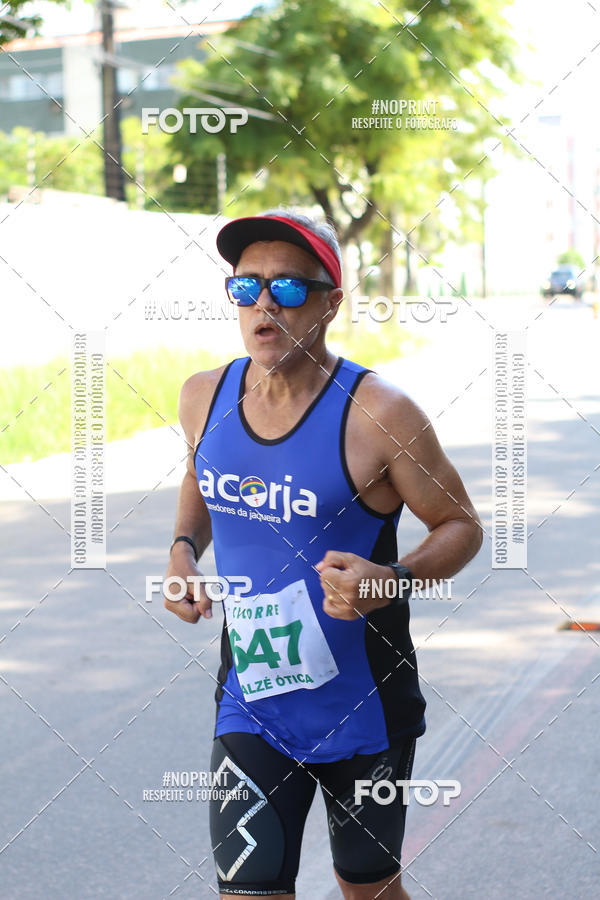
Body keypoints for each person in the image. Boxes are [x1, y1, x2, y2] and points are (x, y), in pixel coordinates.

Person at [164, 209, 482, 899]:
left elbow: (460, 526)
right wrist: (184, 551)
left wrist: (392, 579)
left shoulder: (381, 414)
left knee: (366, 891)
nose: (264, 304)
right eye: (246, 287)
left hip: (364, 706)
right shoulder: (203, 396)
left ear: (331, 302)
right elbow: (203, 471)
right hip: (252, 703)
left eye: (288, 287)